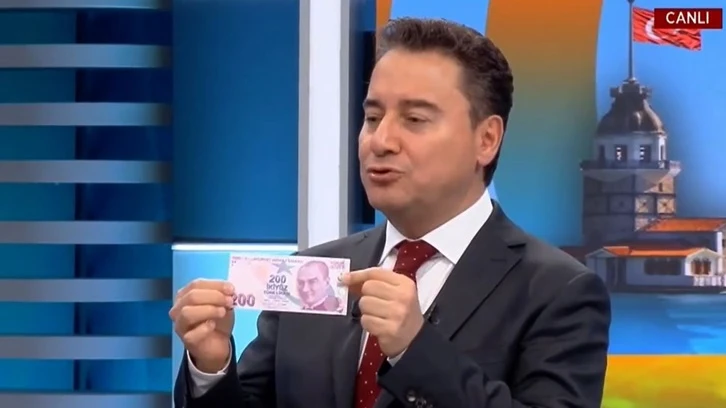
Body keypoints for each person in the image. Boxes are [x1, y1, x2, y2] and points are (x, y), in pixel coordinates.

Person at [170, 17, 611, 408]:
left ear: (486, 140)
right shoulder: (312, 274)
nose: (380, 141)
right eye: (373, 117)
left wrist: (415, 350)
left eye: (415, 119)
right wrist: (211, 368)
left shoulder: (558, 292)